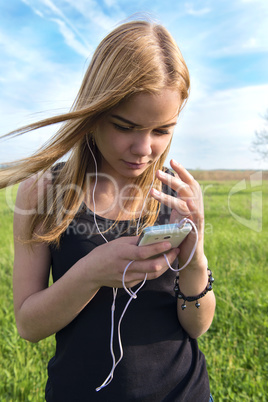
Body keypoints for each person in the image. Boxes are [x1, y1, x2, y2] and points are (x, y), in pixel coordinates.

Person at [0, 19, 216, 401]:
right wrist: (92, 273)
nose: (144, 149)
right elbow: (28, 325)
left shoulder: (172, 195)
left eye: (162, 130)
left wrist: (195, 256)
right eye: (125, 126)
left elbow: (197, 327)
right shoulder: (43, 193)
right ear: (94, 112)